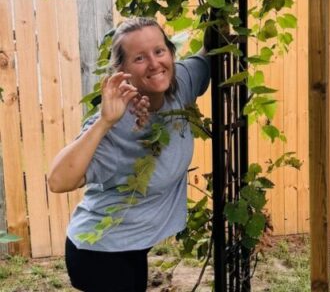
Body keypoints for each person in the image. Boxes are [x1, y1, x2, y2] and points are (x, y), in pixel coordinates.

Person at [48, 17, 210, 292]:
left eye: (159, 51)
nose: (154, 63)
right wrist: (104, 122)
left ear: (170, 53)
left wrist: (219, 10)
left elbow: (209, 55)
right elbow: (57, 180)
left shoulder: (181, 83)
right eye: (139, 58)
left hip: (133, 246)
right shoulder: (115, 124)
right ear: (122, 71)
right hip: (99, 253)